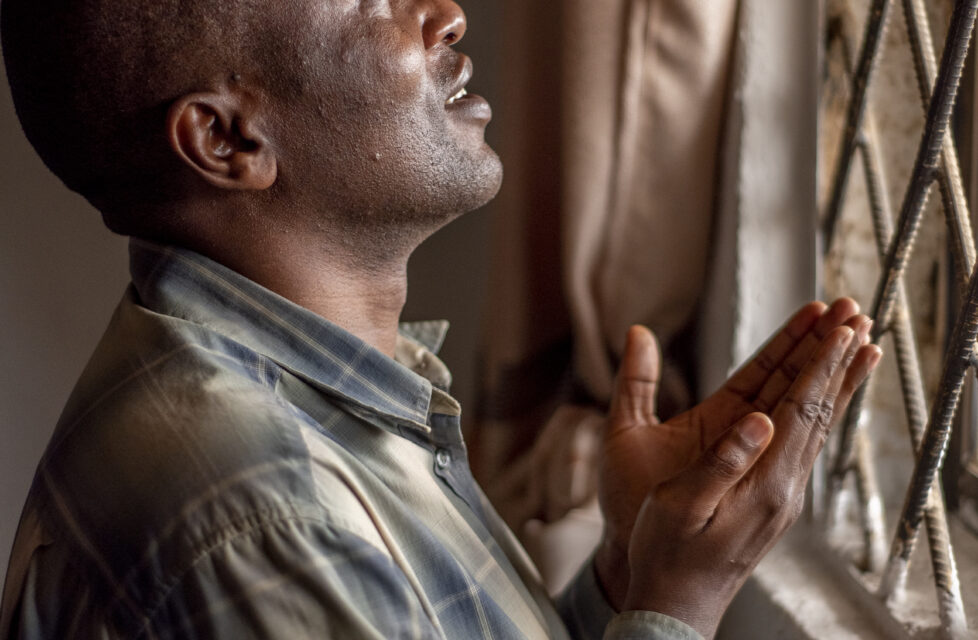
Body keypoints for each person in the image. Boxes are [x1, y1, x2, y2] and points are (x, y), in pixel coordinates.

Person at [0, 0, 880, 638]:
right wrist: (679, 608)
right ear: (227, 143)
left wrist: (625, 574)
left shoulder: (311, 399)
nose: (447, 16)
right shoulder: (270, 513)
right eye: (371, 5)